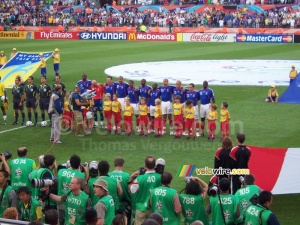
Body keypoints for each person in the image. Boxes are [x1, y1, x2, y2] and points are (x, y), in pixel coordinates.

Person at [129, 156, 161, 225]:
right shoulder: (160, 177)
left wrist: (131, 178)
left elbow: (132, 190)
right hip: (154, 208)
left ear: (145, 165)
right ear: (155, 165)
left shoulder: (140, 178)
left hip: (141, 208)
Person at [57, 155, 86, 225]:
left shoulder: (60, 171)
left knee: (60, 221)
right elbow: (83, 187)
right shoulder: (80, 175)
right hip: (71, 203)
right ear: (79, 164)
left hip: (61, 201)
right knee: (71, 221)